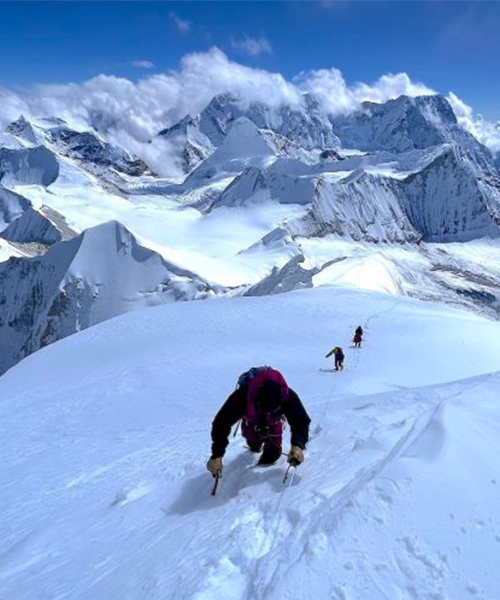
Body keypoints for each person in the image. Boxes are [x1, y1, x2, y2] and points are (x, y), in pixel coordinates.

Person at [206, 367, 311, 477]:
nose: (267, 412)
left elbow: (301, 421)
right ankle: (254, 445)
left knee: (273, 453)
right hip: (252, 421)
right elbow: (221, 423)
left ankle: (261, 472)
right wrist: (217, 455)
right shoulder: (242, 396)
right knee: (253, 443)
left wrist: (297, 445)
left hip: (274, 422)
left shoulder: (288, 396)